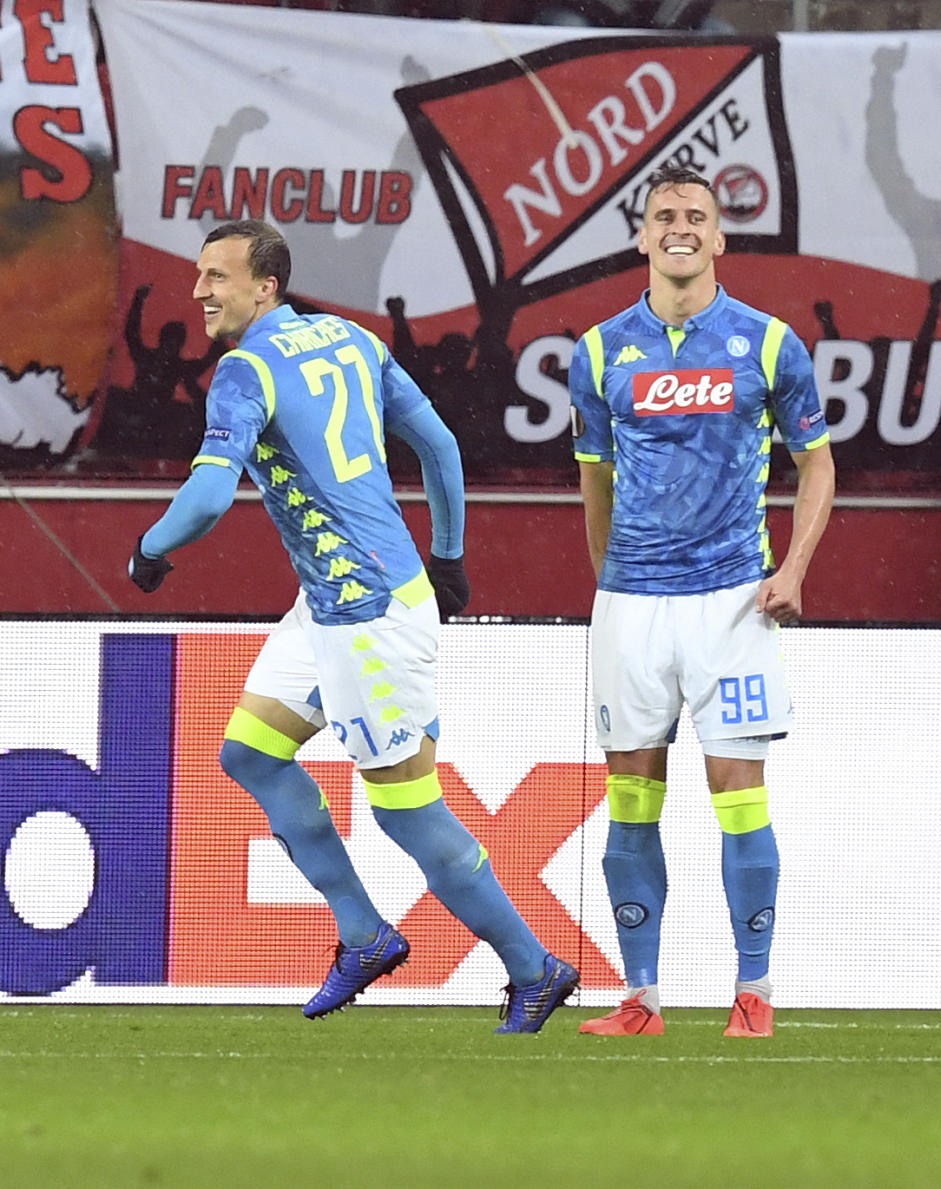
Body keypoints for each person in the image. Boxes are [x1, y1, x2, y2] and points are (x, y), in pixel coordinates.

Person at [128, 219, 578, 1032]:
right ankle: (364, 934)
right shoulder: (351, 340)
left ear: (266, 286)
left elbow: (203, 500)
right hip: (345, 598)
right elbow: (439, 443)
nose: (199, 291)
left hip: (364, 615)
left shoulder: (243, 372)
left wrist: (150, 551)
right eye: (199, 275)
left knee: (407, 809)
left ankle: (534, 966)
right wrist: (447, 555)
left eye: (217, 276)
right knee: (251, 753)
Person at [568, 165, 835, 1038]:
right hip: (632, 609)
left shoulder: (767, 343)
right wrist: (612, 584)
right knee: (631, 803)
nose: (679, 227)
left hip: (733, 603)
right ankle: (641, 996)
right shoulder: (601, 351)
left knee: (740, 799)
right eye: (663, 216)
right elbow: (594, 481)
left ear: (720, 239)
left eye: (696, 216)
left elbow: (818, 464)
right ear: (641, 238)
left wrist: (792, 568)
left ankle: (753, 990)